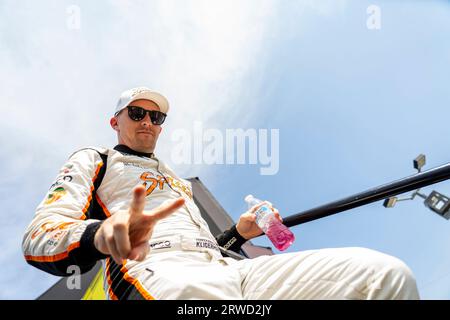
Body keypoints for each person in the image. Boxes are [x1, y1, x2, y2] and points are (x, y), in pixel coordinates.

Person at [22, 87, 420, 300]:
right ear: (115, 121)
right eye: (137, 113)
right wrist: (101, 235)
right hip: (158, 270)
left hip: (229, 266)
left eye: (156, 117)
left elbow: (209, 246)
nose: (148, 121)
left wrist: (240, 234)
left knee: (382, 276)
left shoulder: (176, 179)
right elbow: (39, 236)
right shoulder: (97, 158)